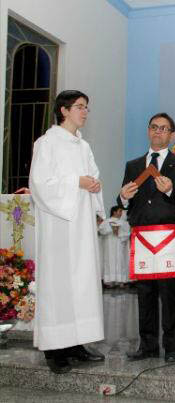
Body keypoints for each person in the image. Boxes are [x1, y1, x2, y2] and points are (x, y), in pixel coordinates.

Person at [29, 90, 106, 374]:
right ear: (63, 110)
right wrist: (78, 181)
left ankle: (77, 342)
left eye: (86, 107)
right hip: (59, 226)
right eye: (80, 107)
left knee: (82, 282)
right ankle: (54, 349)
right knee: (60, 284)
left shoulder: (82, 146)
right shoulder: (47, 143)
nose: (85, 112)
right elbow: (40, 183)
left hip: (81, 225)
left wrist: (94, 187)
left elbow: (93, 176)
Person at [118, 112, 175, 363]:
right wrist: (123, 197)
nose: (158, 132)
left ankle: (172, 347)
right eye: (154, 127)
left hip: (168, 238)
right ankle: (147, 345)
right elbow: (122, 201)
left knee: (170, 294)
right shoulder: (133, 165)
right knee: (145, 295)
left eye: (163, 128)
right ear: (148, 130)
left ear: (172, 135)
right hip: (141, 237)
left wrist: (171, 190)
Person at [98, 206, 130, 287]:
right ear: (114, 212)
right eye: (119, 211)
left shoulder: (123, 222)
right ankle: (109, 282)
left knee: (120, 261)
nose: (121, 213)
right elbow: (101, 231)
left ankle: (121, 281)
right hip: (109, 245)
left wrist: (119, 233)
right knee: (109, 261)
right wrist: (111, 229)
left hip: (120, 245)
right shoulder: (106, 222)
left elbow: (128, 234)